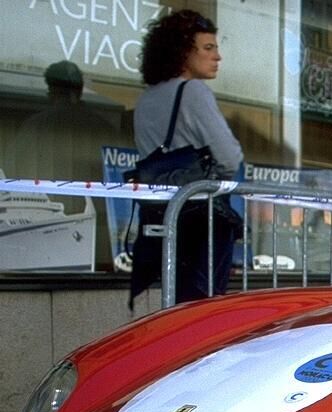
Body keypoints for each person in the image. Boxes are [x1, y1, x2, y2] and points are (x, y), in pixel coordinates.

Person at [131, 9, 243, 304]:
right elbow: (229, 158)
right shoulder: (193, 91)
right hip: (201, 217)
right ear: (183, 52)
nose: (217, 56)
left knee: (174, 306)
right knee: (202, 307)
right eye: (208, 47)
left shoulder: (146, 99)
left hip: (161, 214)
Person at [11, 61, 120, 270]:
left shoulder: (34, 126)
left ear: (51, 90)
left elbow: (14, 172)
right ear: (80, 90)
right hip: (95, 233)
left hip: (46, 229)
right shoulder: (103, 127)